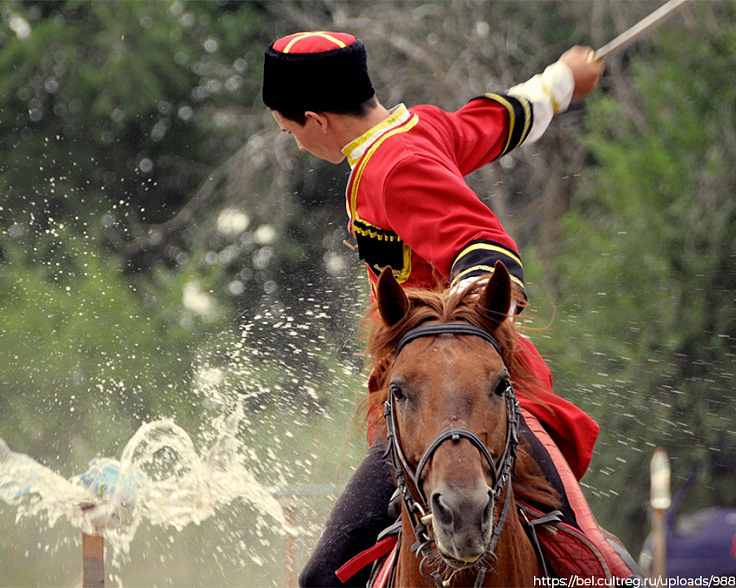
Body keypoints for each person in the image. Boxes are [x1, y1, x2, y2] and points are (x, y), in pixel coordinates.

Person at [261, 31, 616, 586]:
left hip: (474, 396)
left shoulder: (391, 166)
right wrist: (563, 81)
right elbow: (495, 120)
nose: (297, 142)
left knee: (602, 566)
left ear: (317, 119)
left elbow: (484, 243)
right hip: (427, 396)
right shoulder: (418, 128)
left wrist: (467, 318)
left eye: (291, 131)